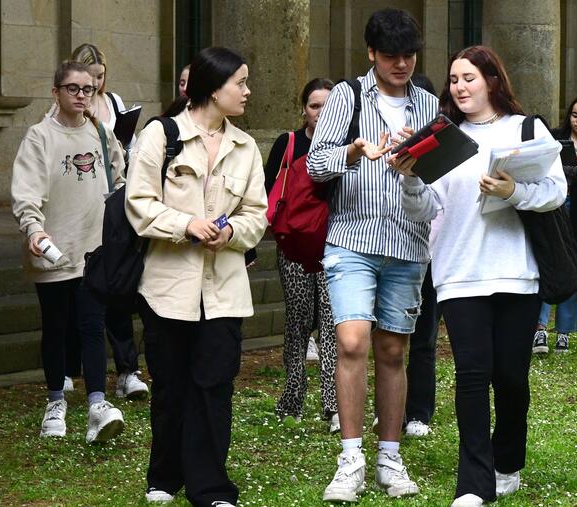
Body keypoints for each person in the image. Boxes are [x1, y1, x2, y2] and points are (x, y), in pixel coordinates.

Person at [400, 45, 567, 507]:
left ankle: (507, 460)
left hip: (517, 273)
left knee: (511, 378)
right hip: (458, 274)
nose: (459, 86)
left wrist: (513, 191)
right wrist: (411, 178)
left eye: (468, 77)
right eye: (453, 79)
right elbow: (422, 210)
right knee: (472, 377)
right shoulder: (441, 137)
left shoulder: (525, 129)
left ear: (492, 80)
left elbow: (555, 192)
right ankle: (474, 484)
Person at [125, 46, 267, 506]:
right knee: (170, 386)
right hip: (167, 287)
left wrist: (229, 233)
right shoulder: (159, 136)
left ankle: (209, 487)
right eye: (240, 83)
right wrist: (185, 224)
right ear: (213, 87)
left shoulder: (245, 148)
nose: (247, 91)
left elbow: (257, 215)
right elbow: (139, 205)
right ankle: (164, 476)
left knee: (214, 386)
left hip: (225, 290)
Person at [307, 8, 438, 503]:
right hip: (351, 239)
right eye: (390, 56)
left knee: (392, 350)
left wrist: (413, 168)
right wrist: (353, 153)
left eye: (408, 55)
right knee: (352, 340)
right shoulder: (347, 96)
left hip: (408, 242)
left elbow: (437, 179)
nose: (400, 64)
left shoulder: (427, 103)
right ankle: (350, 458)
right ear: (371, 54)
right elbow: (316, 166)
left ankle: (389, 454)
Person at [11, 60, 126, 443]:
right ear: (56, 91)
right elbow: (27, 192)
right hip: (53, 251)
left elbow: (119, 175)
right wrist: (34, 228)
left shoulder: (99, 131)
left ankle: (97, 403)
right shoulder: (39, 136)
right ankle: (55, 402)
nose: (81, 95)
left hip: (94, 250)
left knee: (93, 326)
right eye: (73, 89)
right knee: (57, 327)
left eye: (88, 89)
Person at [56, 42, 148, 399]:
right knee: (76, 288)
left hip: (112, 206)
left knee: (116, 287)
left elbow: (133, 148)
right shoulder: (65, 110)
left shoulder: (113, 104)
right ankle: (67, 368)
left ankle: (127, 370)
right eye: (88, 79)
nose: (93, 86)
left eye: (100, 78)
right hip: (77, 209)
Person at [264, 77, 339, 432]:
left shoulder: (344, 146)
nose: (320, 113)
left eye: (327, 105)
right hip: (293, 245)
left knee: (331, 322)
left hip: (333, 246)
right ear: (303, 109)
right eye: (313, 106)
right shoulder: (289, 143)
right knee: (297, 321)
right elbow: (268, 189)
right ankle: (292, 398)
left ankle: (332, 404)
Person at [533, 95, 577, 354]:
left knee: (575, 268)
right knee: (546, 263)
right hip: (552, 209)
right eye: (575, 114)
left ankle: (564, 331)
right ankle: (539, 329)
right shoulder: (555, 138)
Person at [404, 72, 439, 438]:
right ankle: (393, 407)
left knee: (424, 335)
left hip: (431, 255)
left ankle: (419, 411)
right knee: (392, 336)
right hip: (397, 249)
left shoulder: (443, 150)